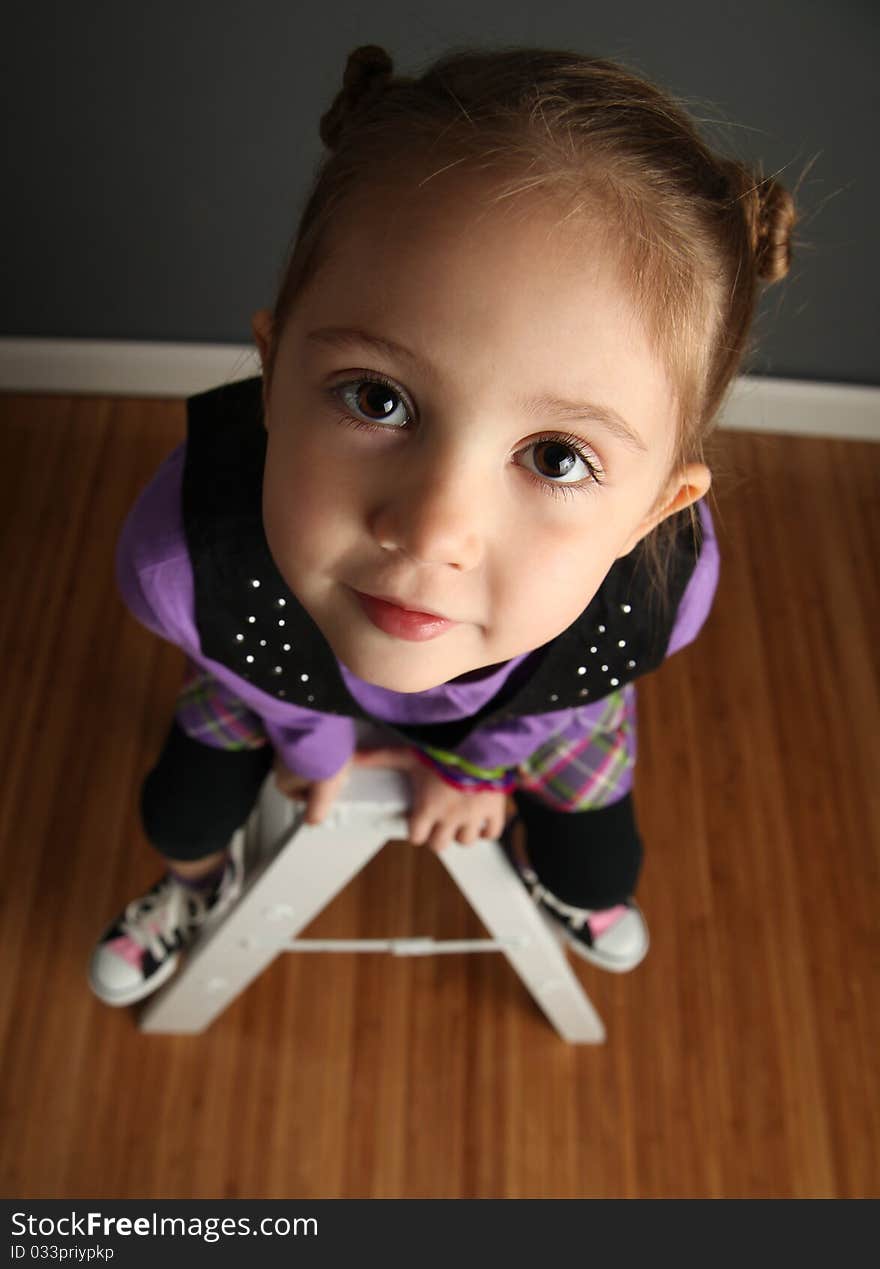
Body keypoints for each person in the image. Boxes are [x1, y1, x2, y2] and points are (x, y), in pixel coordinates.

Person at [88, 43, 796, 1006]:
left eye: (556, 457)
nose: (431, 533)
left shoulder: (651, 601)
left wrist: (474, 771)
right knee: (177, 812)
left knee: (599, 864)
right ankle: (194, 889)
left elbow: (555, 705)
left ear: (653, 511)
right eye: (376, 399)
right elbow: (250, 669)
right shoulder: (184, 560)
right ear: (274, 378)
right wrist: (317, 753)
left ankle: (567, 890)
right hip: (274, 679)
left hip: (538, 709)